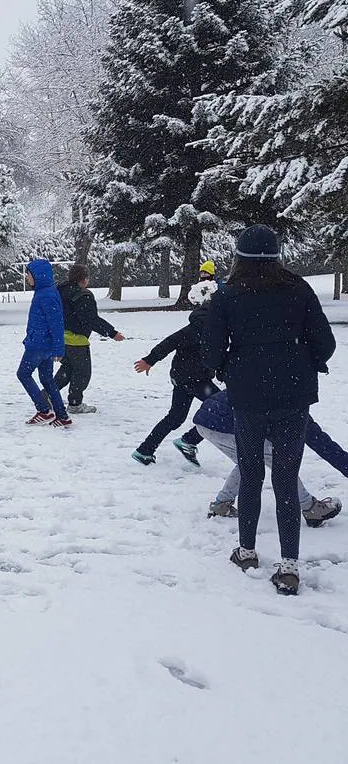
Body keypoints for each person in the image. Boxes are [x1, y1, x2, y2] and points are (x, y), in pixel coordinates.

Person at [204, 225, 336, 595]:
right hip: (293, 395)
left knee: (250, 473)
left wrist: (231, 367)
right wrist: (300, 361)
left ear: (239, 257)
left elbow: (211, 352)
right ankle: (290, 565)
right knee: (285, 475)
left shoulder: (226, 295)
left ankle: (246, 551)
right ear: (277, 255)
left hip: (247, 397)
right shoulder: (299, 289)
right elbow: (325, 344)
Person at [192, 390, 341, 526]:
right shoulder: (293, 407)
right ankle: (310, 509)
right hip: (224, 424)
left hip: (206, 421)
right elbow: (322, 444)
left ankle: (221, 505)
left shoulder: (275, 383)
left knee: (247, 461)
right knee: (281, 464)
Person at [130, 281, 220, 465]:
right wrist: (150, 360)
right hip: (194, 379)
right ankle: (189, 441)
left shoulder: (206, 325)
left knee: (176, 417)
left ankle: (145, 450)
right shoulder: (201, 328)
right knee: (222, 408)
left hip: (183, 377)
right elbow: (170, 342)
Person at [53, 264, 124, 414]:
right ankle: (75, 404)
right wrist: (112, 332)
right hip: (77, 341)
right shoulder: (82, 295)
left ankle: (47, 394)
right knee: (82, 373)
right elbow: (91, 319)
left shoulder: (60, 291)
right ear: (84, 279)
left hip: (60, 338)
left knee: (67, 369)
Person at [18, 259, 71, 427]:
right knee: (47, 379)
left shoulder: (46, 295)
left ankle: (43, 410)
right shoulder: (44, 292)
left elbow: (56, 323)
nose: (27, 278)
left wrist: (59, 349)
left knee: (23, 374)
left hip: (39, 345)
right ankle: (61, 416)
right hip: (42, 343)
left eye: (29, 274)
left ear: (38, 275)